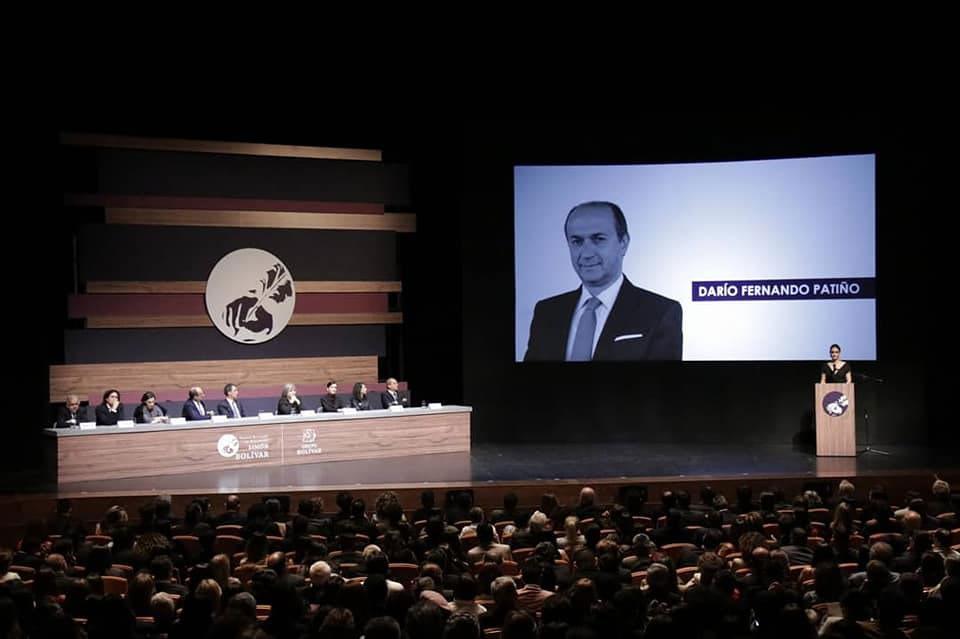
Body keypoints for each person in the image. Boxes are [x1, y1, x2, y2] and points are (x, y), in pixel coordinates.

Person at [524, 201, 682, 361]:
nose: (587, 254)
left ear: (623, 243)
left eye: (598, 239)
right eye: (577, 241)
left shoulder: (660, 312)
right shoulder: (547, 312)